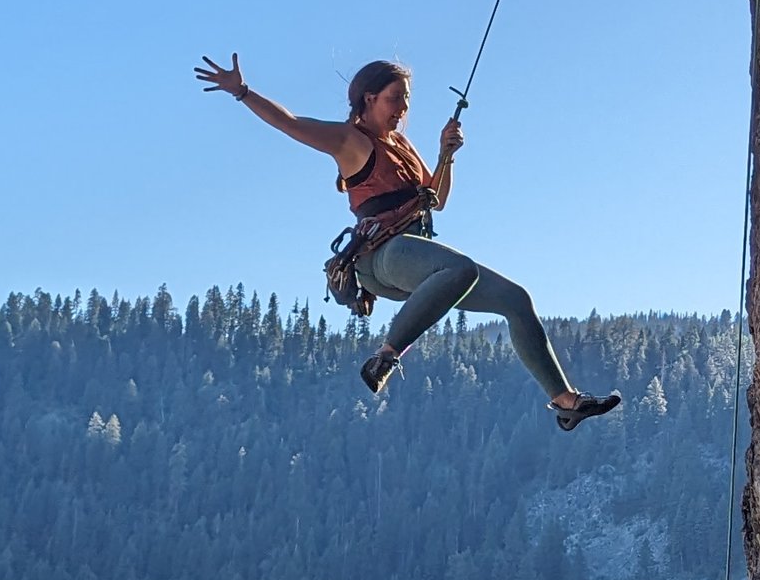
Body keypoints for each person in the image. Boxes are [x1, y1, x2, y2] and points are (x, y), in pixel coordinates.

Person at [196, 51, 620, 423]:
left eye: (406, 101)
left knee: (516, 300)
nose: (402, 109)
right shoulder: (351, 141)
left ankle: (566, 402)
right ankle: (385, 356)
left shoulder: (401, 144)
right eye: (394, 99)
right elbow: (289, 123)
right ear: (369, 99)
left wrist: (445, 156)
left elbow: (437, 200)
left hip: (416, 258)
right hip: (381, 258)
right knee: (461, 269)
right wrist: (243, 91)